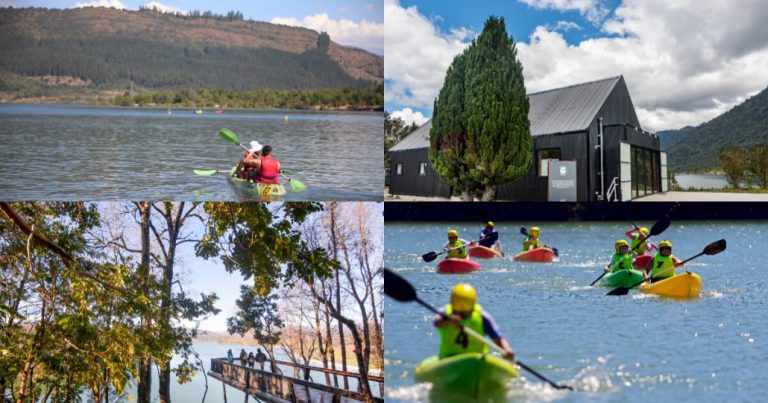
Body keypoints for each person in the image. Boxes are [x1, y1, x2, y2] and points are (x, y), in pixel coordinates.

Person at [433, 283, 515, 360]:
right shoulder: (445, 313)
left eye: (465, 313)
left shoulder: (483, 317)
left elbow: (497, 339)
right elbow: (436, 323)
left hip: (478, 359)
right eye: (458, 312)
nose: (462, 315)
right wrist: (449, 321)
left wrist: (507, 350)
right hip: (449, 358)